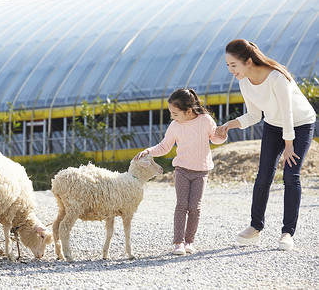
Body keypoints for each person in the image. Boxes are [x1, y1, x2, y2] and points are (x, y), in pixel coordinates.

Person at [218, 39, 316, 251]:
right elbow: (254, 115)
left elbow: (287, 113)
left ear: (248, 62)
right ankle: (255, 228)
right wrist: (229, 125)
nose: (231, 70)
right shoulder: (244, 82)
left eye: (233, 65)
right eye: (228, 66)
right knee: (263, 176)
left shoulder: (276, 77)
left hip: (300, 124)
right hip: (273, 124)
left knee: (291, 175)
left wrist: (289, 145)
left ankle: (287, 233)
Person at [134, 88, 227, 255]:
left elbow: (215, 138)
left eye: (175, 113)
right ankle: (178, 243)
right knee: (181, 205)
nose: (172, 117)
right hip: (182, 170)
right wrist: (149, 151)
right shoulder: (175, 126)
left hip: (201, 171)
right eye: (171, 113)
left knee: (195, 207)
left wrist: (223, 134)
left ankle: (189, 241)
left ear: (188, 111)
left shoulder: (205, 120)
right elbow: (164, 146)